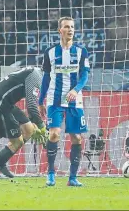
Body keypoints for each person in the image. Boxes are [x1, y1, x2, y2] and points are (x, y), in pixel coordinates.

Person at [38, 16, 90, 187]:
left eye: (72, 27)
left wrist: (75, 90)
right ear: (59, 30)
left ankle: (72, 178)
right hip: (55, 99)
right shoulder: (50, 52)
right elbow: (46, 78)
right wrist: (40, 101)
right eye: (66, 27)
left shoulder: (82, 52)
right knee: (54, 134)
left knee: (76, 138)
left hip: (75, 100)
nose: (70, 30)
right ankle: (51, 173)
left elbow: (84, 75)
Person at [0, 66, 47, 179]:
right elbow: (31, 105)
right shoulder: (37, 76)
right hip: (0, 103)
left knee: (29, 129)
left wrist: (35, 125)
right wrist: (42, 127)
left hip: (6, 102)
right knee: (17, 141)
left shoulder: (34, 71)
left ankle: (1, 163)